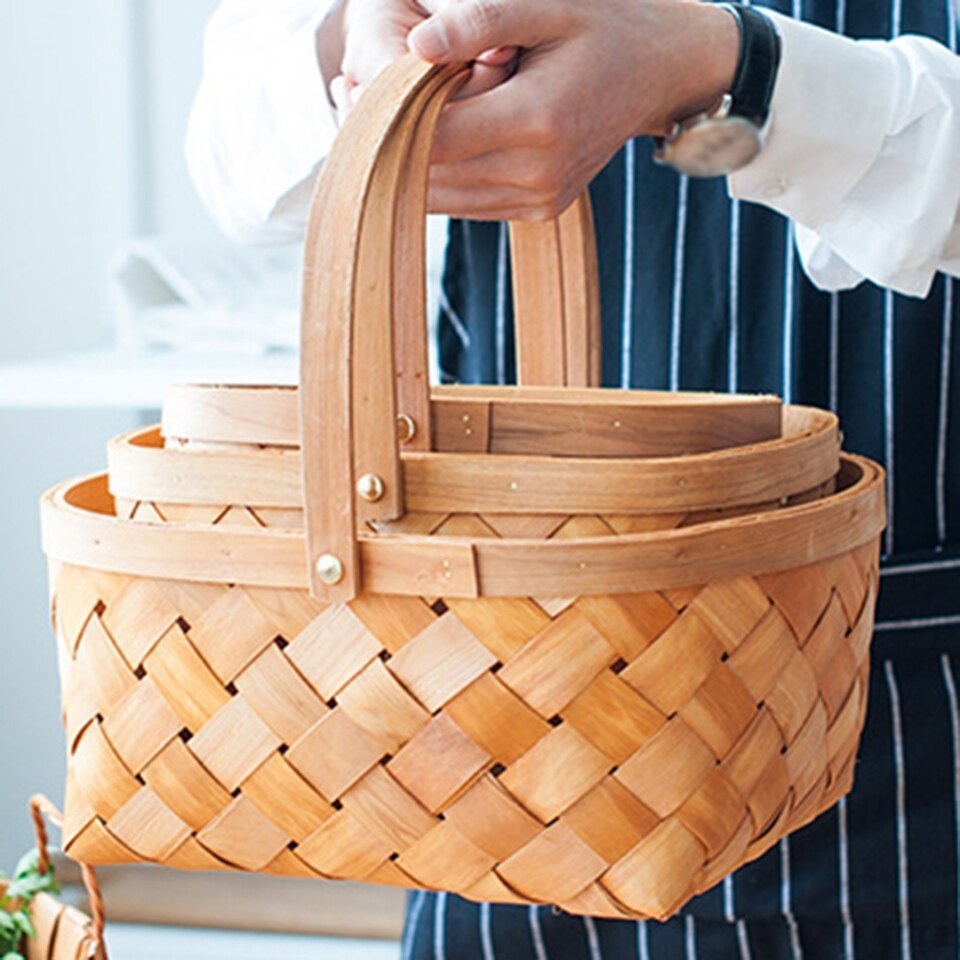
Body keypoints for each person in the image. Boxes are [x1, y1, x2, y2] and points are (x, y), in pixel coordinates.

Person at [186, 1, 960, 956]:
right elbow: (230, 153)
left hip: (906, 778)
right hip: (492, 763)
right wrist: (361, 43)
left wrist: (735, 74)